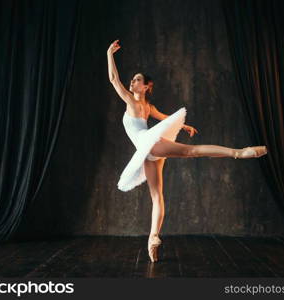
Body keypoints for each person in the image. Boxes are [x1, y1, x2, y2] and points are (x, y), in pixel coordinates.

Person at [107, 39, 267, 263]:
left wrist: (109, 54)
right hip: (147, 151)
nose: (132, 81)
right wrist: (184, 126)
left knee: (191, 152)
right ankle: (153, 237)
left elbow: (113, 79)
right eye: (133, 79)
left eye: (137, 80)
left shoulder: (133, 104)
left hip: (148, 144)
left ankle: (239, 152)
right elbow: (164, 117)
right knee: (157, 196)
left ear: (146, 87)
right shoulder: (145, 106)